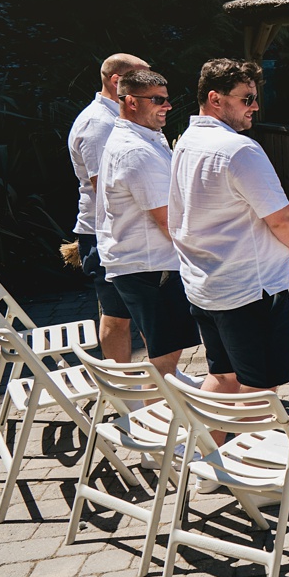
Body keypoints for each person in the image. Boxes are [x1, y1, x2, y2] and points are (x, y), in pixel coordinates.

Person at [168, 59, 289, 495]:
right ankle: (259, 481)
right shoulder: (240, 150)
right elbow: (282, 216)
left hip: (207, 284)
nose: (254, 108)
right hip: (250, 288)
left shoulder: (184, 140)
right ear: (215, 99)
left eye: (255, 98)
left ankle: (205, 463)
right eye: (246, 99)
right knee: (258, 389)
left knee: (223, 374)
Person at [95, 69, 198, 385]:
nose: (167, 106)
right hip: (152, 265)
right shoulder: (136, 150)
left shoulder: (139, 135)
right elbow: (168, 221)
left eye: (167, 99)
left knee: (163, 351)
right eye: (157, 100)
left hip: (136, 259)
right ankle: (159, 424)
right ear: (129, 101)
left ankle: (152, 409)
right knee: (165, 354)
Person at [69, 53, 149, 363]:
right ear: (117, 82)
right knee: (117, 315)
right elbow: (105, 185)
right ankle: (124, 387)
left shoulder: (119, 119)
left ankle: (161, 378)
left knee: (140, 310)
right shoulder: (98, 124)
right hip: (108, 233)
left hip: (122, 229)